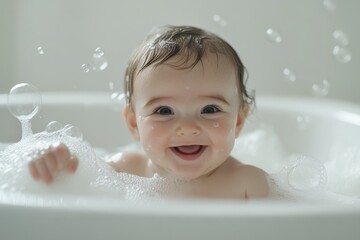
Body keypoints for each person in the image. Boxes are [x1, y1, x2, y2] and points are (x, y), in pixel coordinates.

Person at [28, 25, 269, 199]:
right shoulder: (125, 169)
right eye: (164, 110)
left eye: (209, 109)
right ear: (134, 123)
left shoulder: (248, 184)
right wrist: (58, 163)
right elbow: (78, 179)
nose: (187, 128)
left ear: (238, 120)